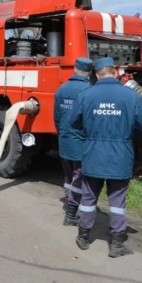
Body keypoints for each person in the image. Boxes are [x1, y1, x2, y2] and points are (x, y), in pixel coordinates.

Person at [69, 57, 142, 258]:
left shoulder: (87, 94)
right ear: (115, 72)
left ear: (97, 74)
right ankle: (116, 244)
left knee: (88, 198)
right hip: (120, 156)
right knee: (117, 202)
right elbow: (141, 125)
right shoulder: (131, 96)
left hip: (93, 154)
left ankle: (83, 237)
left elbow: (74, 122)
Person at [53, 57, 93, 226]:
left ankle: (70, 202)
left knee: (69, 176)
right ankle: (71, 213)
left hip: (64, 141)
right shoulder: (88, 91)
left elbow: (56, 118)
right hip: (81, 143)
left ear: (75, 69)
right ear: (90, 73)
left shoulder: (61, 90)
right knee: (79, 178)